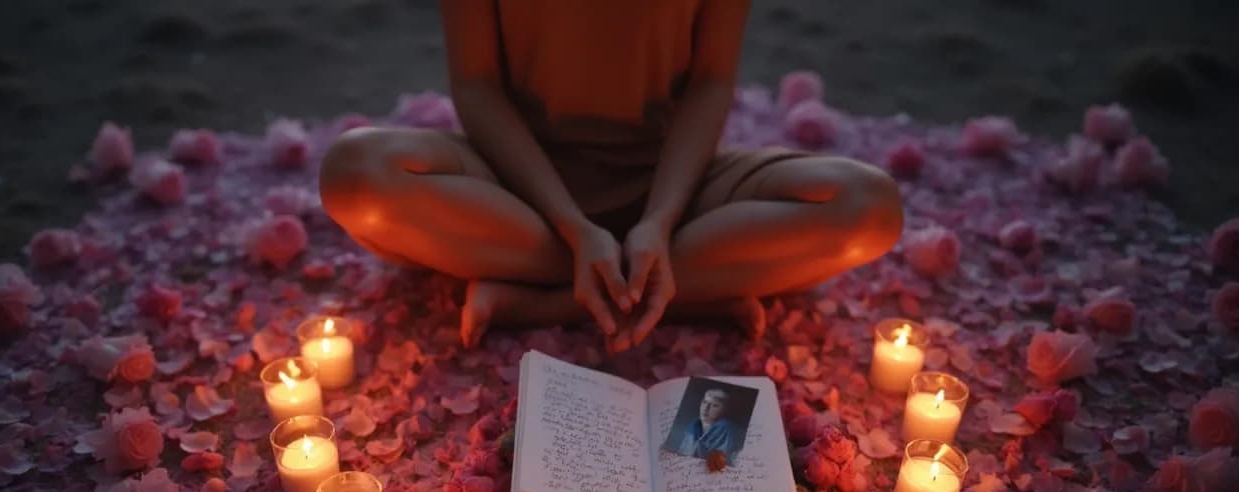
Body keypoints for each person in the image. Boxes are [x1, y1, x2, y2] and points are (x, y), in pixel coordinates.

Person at [319, 0, 903, 352]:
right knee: (356, 176)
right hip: (514, 190)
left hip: (675, 187)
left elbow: (708, 86)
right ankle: (683, 288)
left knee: (867, 208)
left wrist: (659, 219)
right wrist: (573, 227)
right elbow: (478, 88)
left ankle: (543, 302)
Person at [667, 388, 743, 461]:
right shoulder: (694, 426)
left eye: (715, 405)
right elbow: (682, 452)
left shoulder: (727, 429)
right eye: (704, 402)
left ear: (725, 410)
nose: (705, 408)